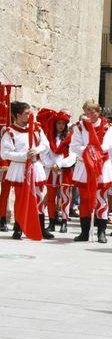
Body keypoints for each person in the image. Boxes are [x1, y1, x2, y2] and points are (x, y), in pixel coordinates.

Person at [1, 101, 53, 239]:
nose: (30, 115)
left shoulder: (36, 128)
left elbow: (45, 144)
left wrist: (36, 150)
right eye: (26, 113)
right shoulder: (10, 132)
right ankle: (18, 228)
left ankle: (40, 227)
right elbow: (5, 153)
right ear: (18, 115)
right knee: (21, 198)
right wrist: (24, 156)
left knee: (39, 197)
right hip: (19, 168)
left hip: (35, 166)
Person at [70, 100, 112, 243]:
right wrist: (88, 151)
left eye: (92, 111)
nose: (90, 115)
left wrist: (95, 151)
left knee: (101, 199)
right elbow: (74, 145)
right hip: (85, 165)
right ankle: (84, 232)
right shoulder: (79, 127)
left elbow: (108, 144)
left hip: (101, 165)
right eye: (87, 112)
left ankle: (101, 232)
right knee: (84, 199)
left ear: (98, 111)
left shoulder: (107, 126)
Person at [41, 110, 75, 234]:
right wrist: (51, 165)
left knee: (65, 197)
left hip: (64, 170)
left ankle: (64, 221)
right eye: (58, 123)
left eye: (63, 123)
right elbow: (44, 154)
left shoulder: (70, 138)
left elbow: (72, 156)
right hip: (51, 171)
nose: (61, 126)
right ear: (54, 124)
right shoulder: (48, 137)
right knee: (50, 197)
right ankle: (51, 221)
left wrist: (59, 164)